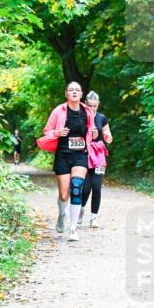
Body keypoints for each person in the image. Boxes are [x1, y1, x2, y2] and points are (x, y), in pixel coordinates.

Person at [37, 82, 97, 242]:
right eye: (71, 90)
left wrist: (94, 133)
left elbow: (92, 132)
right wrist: (57, 132)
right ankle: (61, 214)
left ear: (82, 93)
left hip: (80, 155)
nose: (74, 92)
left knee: (76, 188)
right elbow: (47, 131)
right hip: (63, 154)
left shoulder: (87, 111)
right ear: (66, 94)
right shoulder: (59, 111)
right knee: (64, 195)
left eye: (77, 89)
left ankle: (72, 230)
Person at [80, 91, 113, 228]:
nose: (92, 109)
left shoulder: (102, 118)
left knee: (96, 187)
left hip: (99, 155)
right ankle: (80, 211)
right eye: (90, 106)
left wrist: (104, 135)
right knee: (86, 188)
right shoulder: (81, 116)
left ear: (98, 105)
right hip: (85, 154)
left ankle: (94, 218)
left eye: (95, 106)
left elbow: (109, 139)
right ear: (85, 104)